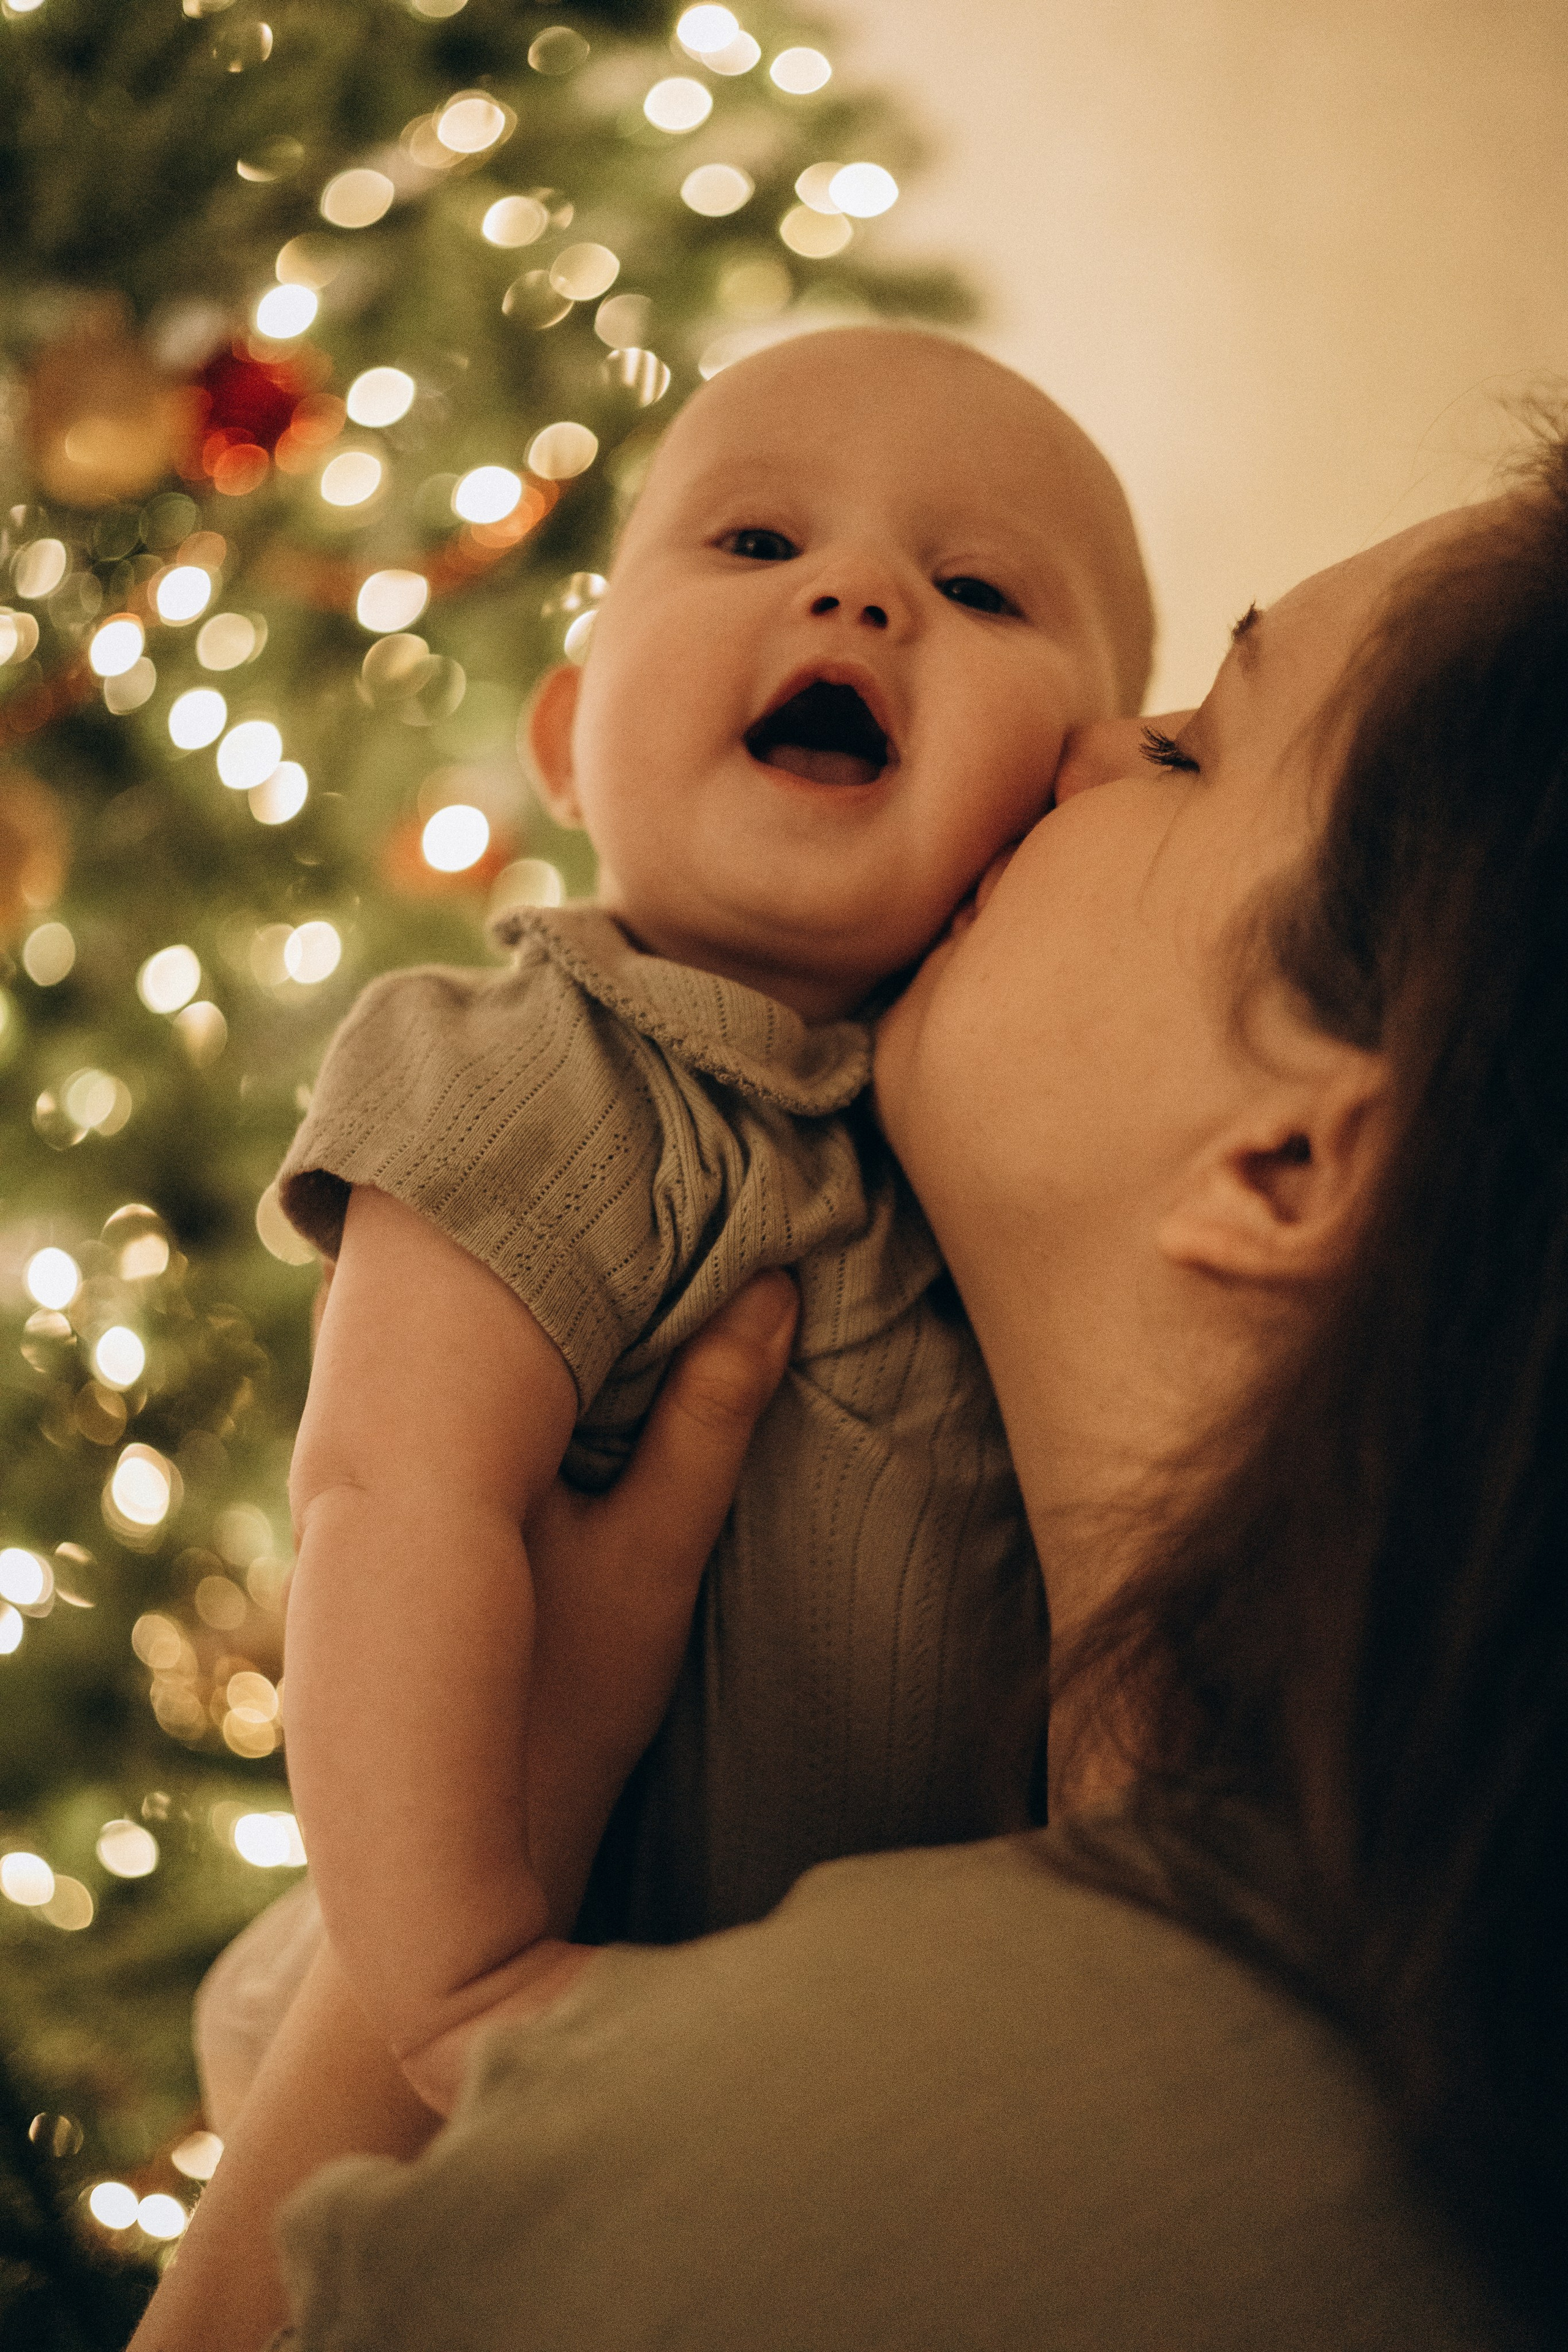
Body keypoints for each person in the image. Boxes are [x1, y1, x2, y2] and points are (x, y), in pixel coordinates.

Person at [264, 448, 1568, 2347]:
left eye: (1191, 755)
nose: (1086, 755)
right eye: (757, 539)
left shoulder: (821, 2184)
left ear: (1293, 1167)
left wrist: (505, 1859)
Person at [196, 322, 1152, 2132]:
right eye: (758, 546)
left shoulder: (1021, 1119)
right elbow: (398, 1504)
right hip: (578, 2000)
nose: (861, 598)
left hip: (905, 2061)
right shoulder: (534, 1064)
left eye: (974, 586)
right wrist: (460, 1973)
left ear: (1079, 787)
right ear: (566, 736)